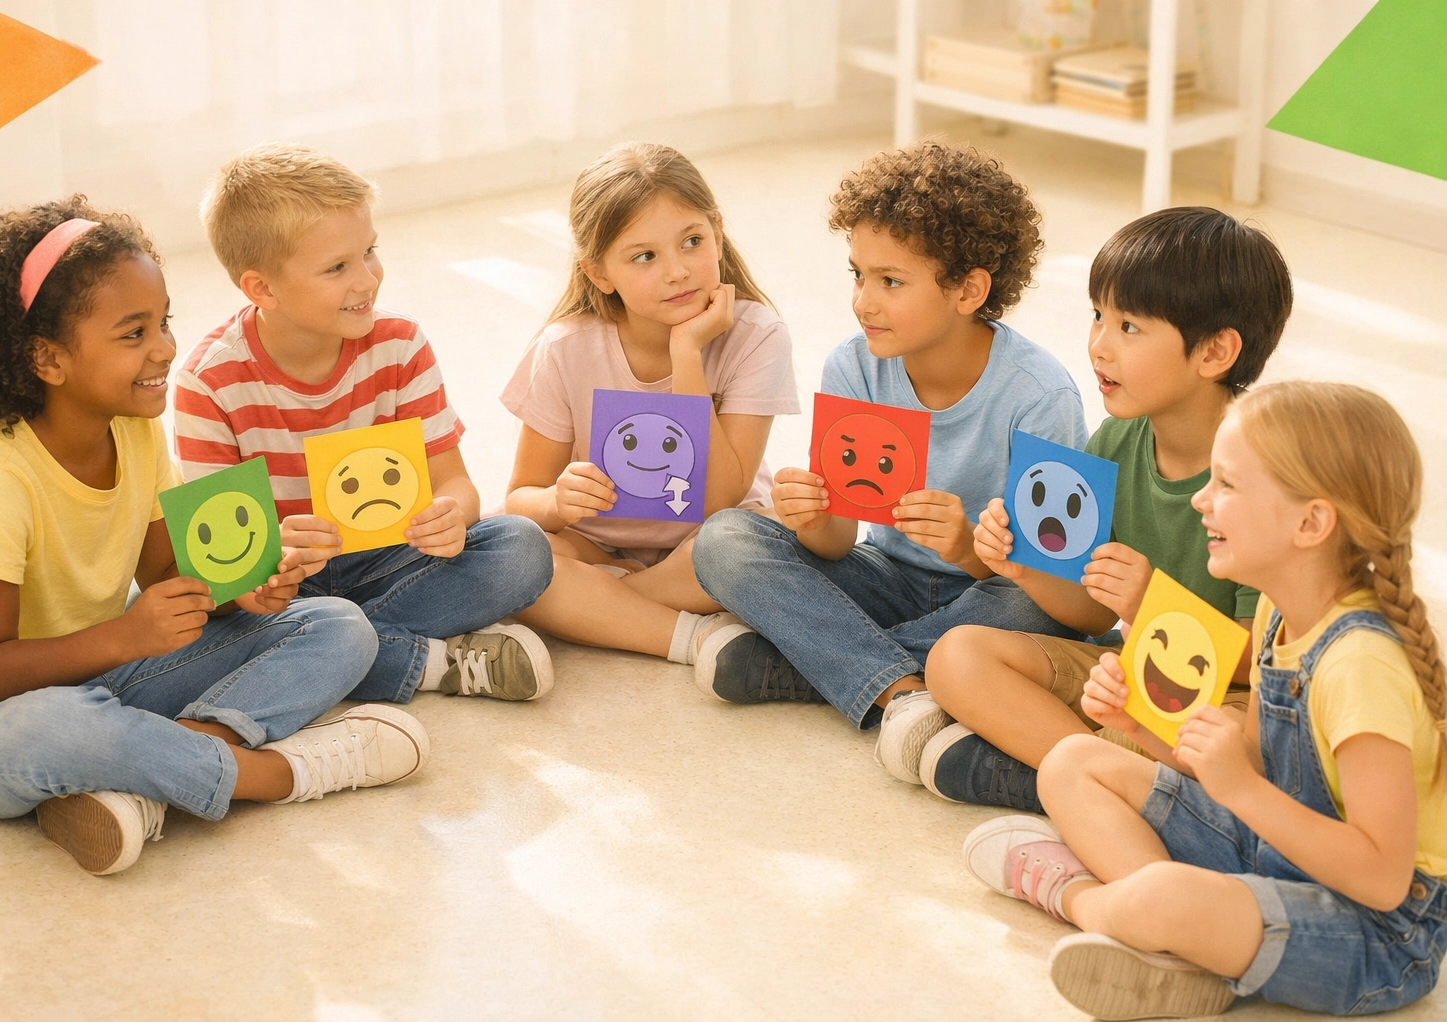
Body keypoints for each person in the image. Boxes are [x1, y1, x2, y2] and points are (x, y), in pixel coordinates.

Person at [0, 200, 426, 876]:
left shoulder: (135, 429)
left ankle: (149, 780)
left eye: (163, 322)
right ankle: (280, 774)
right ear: (48, 358)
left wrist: (245, 588)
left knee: (338, 626)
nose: (165, 349)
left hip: (104, 673)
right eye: (133, 334)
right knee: (63, 728)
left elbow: (169, 578)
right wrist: (125, 638)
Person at [965, 382, 1447, 1018]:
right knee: (1072, 762)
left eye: (1226, 485)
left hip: (1375, 929)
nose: (1200, 500)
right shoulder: (1282, 610)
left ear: (1311, 523)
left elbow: (1382, 878)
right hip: (1276, 855)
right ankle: (1184, 948)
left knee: (1164, 897)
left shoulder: (1361, 666)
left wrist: (1241, 790)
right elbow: (1253, 764)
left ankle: (1084, 901)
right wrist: (1139, 727)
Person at [888, 208, 1291, 807]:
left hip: (1229, 697)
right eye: (1099, 316)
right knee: (957, 656)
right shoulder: (1113, 442)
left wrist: (1151, 605)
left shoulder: (1266, 472)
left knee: (1242, 746)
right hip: (1132, 673)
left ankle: (1069, 775)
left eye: (1129, 327)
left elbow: (1264, 664)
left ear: (1214, 353)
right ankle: (1095, 776)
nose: (1098, 345)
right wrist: (1022, 566)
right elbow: (1085, 614)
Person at [691, 140, 1087, 725]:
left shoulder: (1041, 397)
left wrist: (965, 544)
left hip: (989, 598)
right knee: (723, 540)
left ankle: (828, 667)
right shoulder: (852, 367)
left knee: (1035, 613)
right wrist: (814, 516)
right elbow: (837, 545)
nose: (862, 301)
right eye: (858, 274)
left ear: (968, 291)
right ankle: (904, 687)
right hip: (885, 575)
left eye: (891, 282)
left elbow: (1065, 590)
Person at [175, 144, 554, 705]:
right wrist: (273, 553)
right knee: (194, 628)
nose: (367, 279)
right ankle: (424, 660)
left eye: (370, 251)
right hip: (288, 589)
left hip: (391, 558)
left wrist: (452, 516)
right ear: (262, 289)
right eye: (337, 268)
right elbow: (222, 572)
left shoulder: (400, 345)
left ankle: (340, 651)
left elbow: (455, 484)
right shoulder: (208, 383)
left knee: (522, 546)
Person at [500, 142, 798, 664]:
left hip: (711, 540)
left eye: (691, 241)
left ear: (718, 232)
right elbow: (522, 496)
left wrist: (688, 353)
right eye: (644, 256)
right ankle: (695, 639)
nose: (677, 271)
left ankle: (604, 606)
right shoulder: (565, 347)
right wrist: (555, 501)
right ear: (599, 274)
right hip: (598, 546)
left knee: (774, 537)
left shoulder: (756, 334)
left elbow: (716, 501)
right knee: (507, 550)